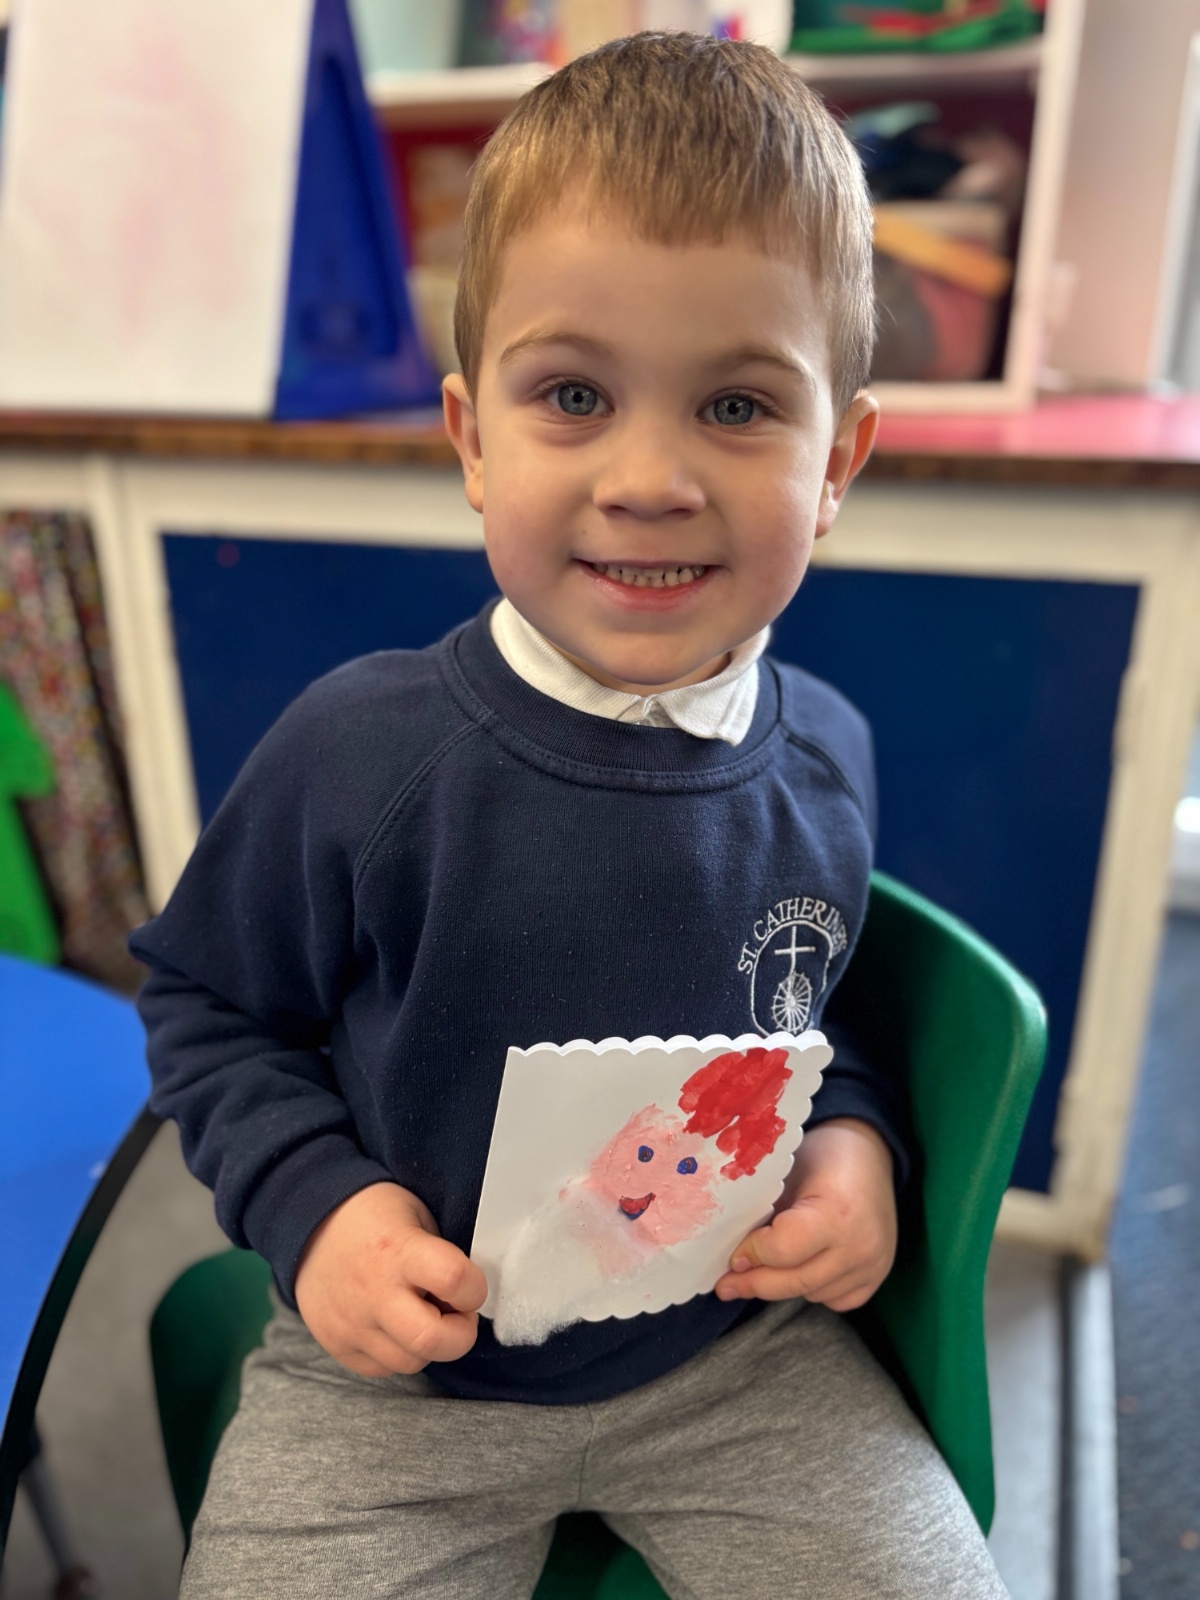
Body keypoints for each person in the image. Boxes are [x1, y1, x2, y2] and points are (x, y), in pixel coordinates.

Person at [132, 32, 1009, 1599]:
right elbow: (209, 1006)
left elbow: (803, 1018)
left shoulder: (828, 754)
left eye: (737, 404)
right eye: (576, 395)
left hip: (734, 1363)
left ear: (838, 463)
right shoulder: (362, 755)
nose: (650, 477)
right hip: (403, 1389)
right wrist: (318, 1213)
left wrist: (854, 1143)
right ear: (474, 438)